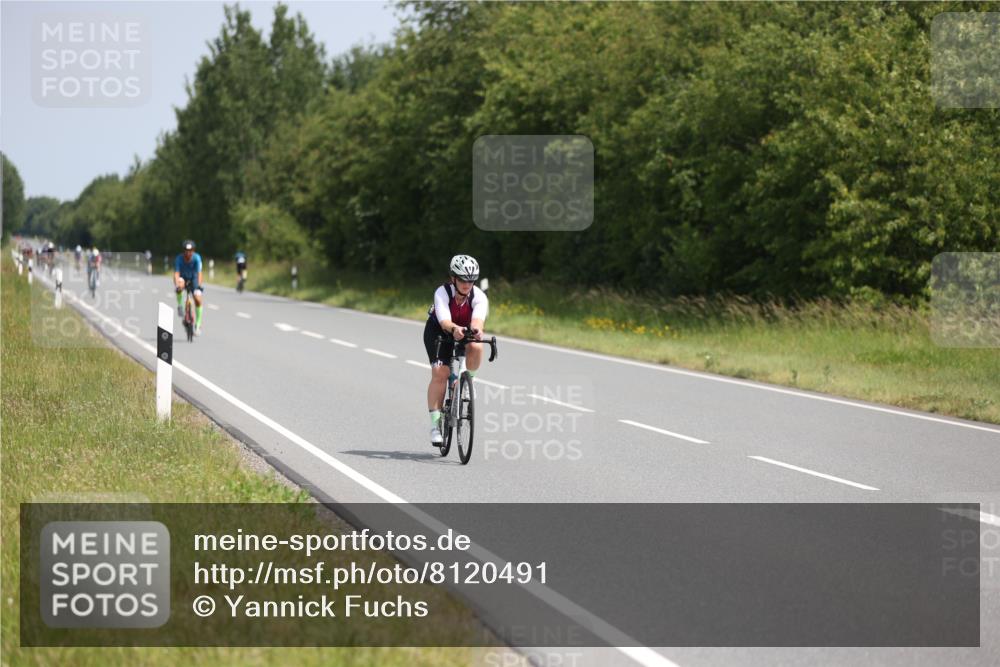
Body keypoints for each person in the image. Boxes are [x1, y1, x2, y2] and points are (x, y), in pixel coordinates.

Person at [424, 254, 489, 446]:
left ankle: (469, 382)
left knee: (476, 346)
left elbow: (477, 319)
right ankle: (435, 426)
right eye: (462, 279)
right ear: (453, 278)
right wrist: (454, 329)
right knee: (440, 373)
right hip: (439, 331)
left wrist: (476, 330)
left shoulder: (479, 296)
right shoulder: (442, 292)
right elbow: (444, 320)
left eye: (471, 280)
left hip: (464, 329)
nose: (467, 284)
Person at [173, 240, 205, 335]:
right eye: (186, 251)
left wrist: (199, 286)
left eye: (190, 250)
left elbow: (199, 273)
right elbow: (176, 273)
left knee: (198, 299)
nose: (188, 253)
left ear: (193, 250)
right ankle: (180, 305)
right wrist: (177, 285)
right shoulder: (179, 259)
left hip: (194, 278)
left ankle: (198, 325)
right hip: (183, 277)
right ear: (183, 251)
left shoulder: (196, 258)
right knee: (180, 285)